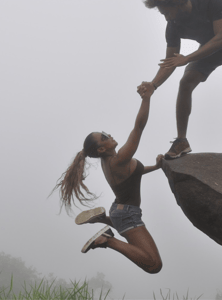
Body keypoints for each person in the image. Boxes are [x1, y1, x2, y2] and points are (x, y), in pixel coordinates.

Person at [141, 0, 222, 160]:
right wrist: (154, 85)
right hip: (208, 51)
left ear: (177, 1)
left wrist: (187, 58)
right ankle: (181, 141)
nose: (166, 18)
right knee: (185, 82)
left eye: (166, 12)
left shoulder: (213, 0)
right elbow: (170, 62)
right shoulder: (173, 26)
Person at [52, 84, 163, 274]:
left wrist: (158, 167)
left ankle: (103, 219)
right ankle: (107, 240)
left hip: (121, 211)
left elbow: (134, 174)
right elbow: (138, 127)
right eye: (104, 136)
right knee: (153, 265)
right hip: (128, 214)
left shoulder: (111, 162)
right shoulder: (118, 159)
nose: (108, 134)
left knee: (147, 256)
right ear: (101, 149)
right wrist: (147, 98)